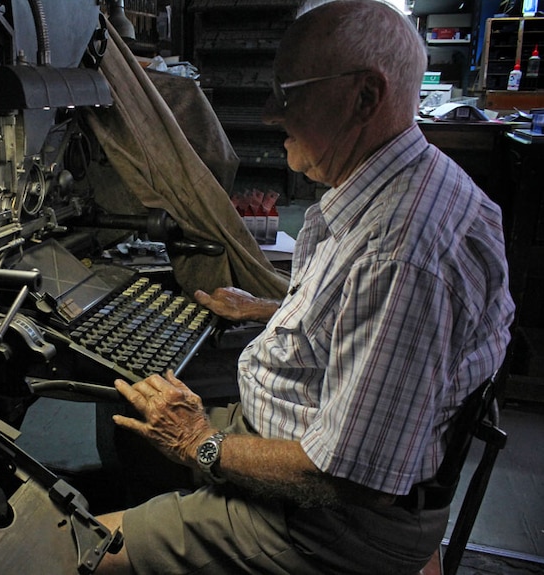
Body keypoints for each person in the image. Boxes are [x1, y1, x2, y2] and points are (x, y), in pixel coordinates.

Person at [94, 1, 515, 574]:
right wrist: (267, 307)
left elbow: (351, 476)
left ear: (365, 97)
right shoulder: (400, 188)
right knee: (128, 427)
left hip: (325, 524)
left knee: (78, 550)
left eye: (290, 94)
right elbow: (363, 322)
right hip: (298, 446)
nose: (272, 115)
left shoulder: (402, 251)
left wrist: (199, 442)